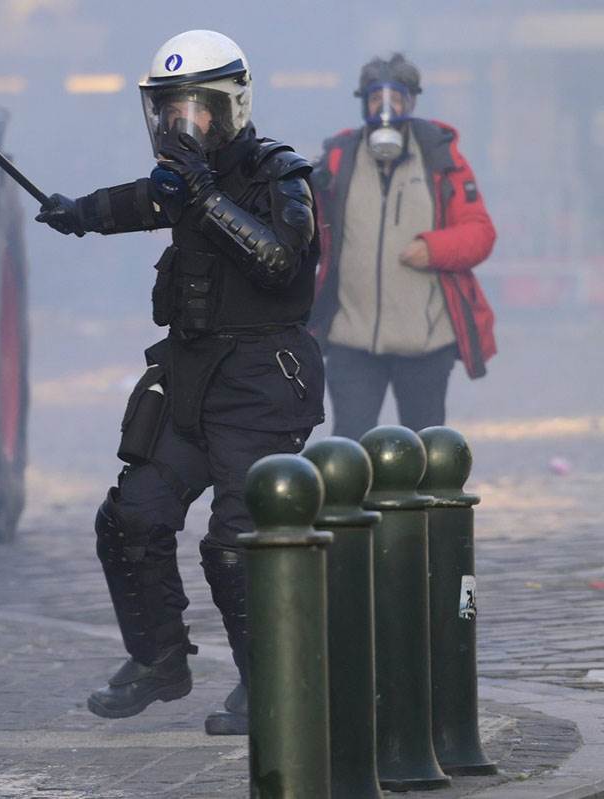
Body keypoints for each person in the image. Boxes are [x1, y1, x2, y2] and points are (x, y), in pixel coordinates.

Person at [35, 30, 324, 734]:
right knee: (131, 517)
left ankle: (270, 687)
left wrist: (205, 195)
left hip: (261, 384)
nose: (181, 124)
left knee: (236, 545)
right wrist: (79, 213)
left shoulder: (280, 175)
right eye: (169, 110)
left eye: (196, 109)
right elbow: (142, 202)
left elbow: (282, 261)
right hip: (191, 378)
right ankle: (158, 659)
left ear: (231, 105)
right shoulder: (183, 179)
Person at [311, 53, 497, 439]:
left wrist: (435, 248)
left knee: (425, 448)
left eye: (395, 98)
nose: (385, 108)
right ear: (362, 102)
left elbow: (480, 233)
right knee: (349, 446)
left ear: (411, 102)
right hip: (351, 340)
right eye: (375, 98)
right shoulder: (339, 157)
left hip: (425, 343)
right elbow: (311, 226)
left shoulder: (440, 156)